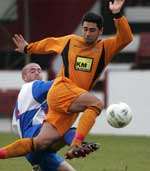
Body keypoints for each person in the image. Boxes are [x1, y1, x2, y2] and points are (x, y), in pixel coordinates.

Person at [0, 0, 133, 160]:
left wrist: (117, 14)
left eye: (92, 30)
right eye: (85, 29)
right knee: (96, 104)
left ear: (100, 31)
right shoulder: (71, 41)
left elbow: (126, 37)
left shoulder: (105, 48)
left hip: (71, 101)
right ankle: (76, 144)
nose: (87, 33)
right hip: (62, 89)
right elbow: (49, 43)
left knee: (40, 143)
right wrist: (28, 48)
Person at [12, 62, 76, 171]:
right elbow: (58, 84)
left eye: (39, 70)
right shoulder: (32, 86)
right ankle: (77, 145)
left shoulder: (24, 100)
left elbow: (15, 128)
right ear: (24, 77)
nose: (37, 72)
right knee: (65, 128)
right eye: (32, 71)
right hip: (36, 137)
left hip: (31, 149)